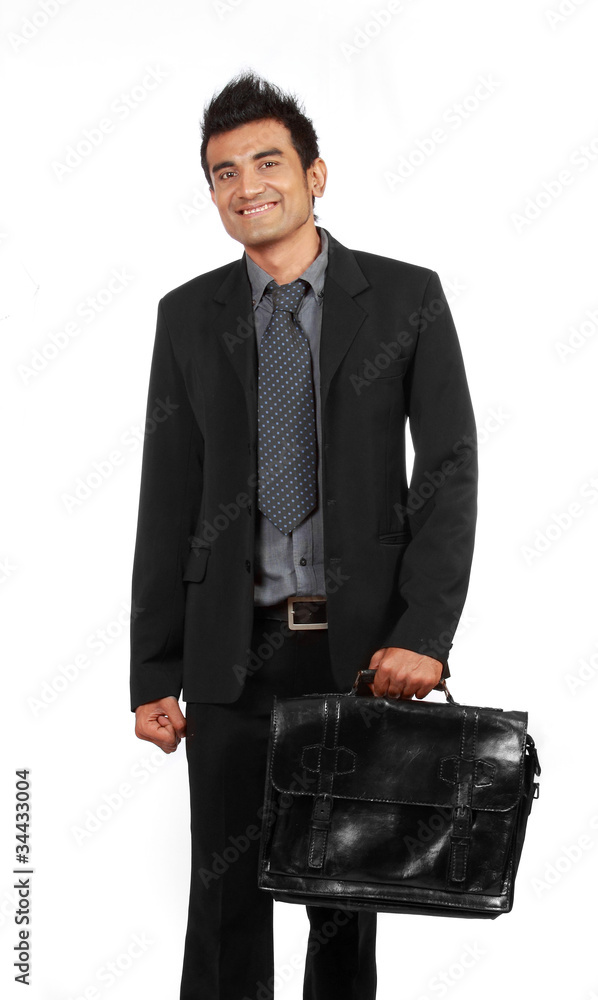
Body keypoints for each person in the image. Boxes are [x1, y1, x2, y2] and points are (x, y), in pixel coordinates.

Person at [130, 71, 478, 1000]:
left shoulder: (405, 298)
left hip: (358, 654)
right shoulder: (186, 315)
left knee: (343, 897)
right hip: (228, 653)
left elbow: (448, 473)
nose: (246, 186)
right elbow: (168, 496)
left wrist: (423, 634)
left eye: (267, 162)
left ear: (315, 175)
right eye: (224, 173)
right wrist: (152, 670)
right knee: (224, 901)